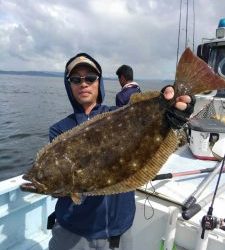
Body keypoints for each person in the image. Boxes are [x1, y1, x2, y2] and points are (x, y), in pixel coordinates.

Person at [48, 52, 195, 250]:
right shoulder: (59, 131)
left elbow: (145, 114)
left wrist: (172, 112)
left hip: (117, 233)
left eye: (90, 78)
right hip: (72, 232)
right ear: (69, 85)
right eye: (76, 79)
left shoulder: (119, 113)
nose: (83, 83)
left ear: (98, 83)